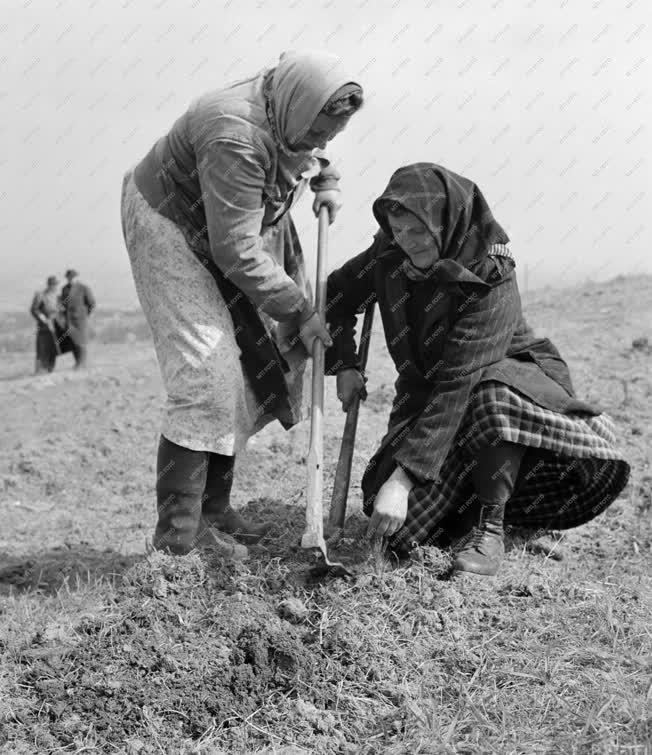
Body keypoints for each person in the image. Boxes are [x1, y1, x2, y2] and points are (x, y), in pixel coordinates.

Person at [325, 163, 630, 577]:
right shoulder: (390, 253)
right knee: (398, 532)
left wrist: (403, 478)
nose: (406, 242)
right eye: (397, 231)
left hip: (512, 389)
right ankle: (466, 508)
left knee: (489, 397)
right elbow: (337, 295)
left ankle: (491, 527)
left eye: (417, 231)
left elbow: (458, 382)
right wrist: (345, 364)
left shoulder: (492, 273)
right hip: (430, 400)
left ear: (445, 222)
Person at [120, 50, 364, 559]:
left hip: (237, 227)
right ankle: (180, 541)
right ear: (299, 107)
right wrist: (300, 308)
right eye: (319, 131)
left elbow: (314, 149)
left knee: (252, 365)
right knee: (207, 375)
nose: (322, 142)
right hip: (171, 222)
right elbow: (235, 249)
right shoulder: (232, 132)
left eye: (330, 135)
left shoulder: (292, 108)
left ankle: (214, 509)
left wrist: (329, 183)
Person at [60, 269, 96, 368]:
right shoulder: (64, 289)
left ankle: (83, 363)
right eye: (68, 277)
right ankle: (78, 362)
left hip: (81, 320)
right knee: (73, 342)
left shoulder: (83, 288)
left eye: (72, 277)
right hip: (69, 319)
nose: (70, 279)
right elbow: (63, 303)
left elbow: (92, 303)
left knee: (82, 341)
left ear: (76, 277)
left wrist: (85, 315)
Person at [29, 275, 61, 374]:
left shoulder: (57, 296)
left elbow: (59, 309)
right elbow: (34, 310)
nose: (55, 286)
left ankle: (49, 370)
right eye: (53, 284)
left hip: (55, 327)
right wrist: (43, 319)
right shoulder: (40, 295)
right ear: (49, 285)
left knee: (53, 350)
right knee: (42, 350)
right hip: (44, 328)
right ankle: (40, 372)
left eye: (56, 284)